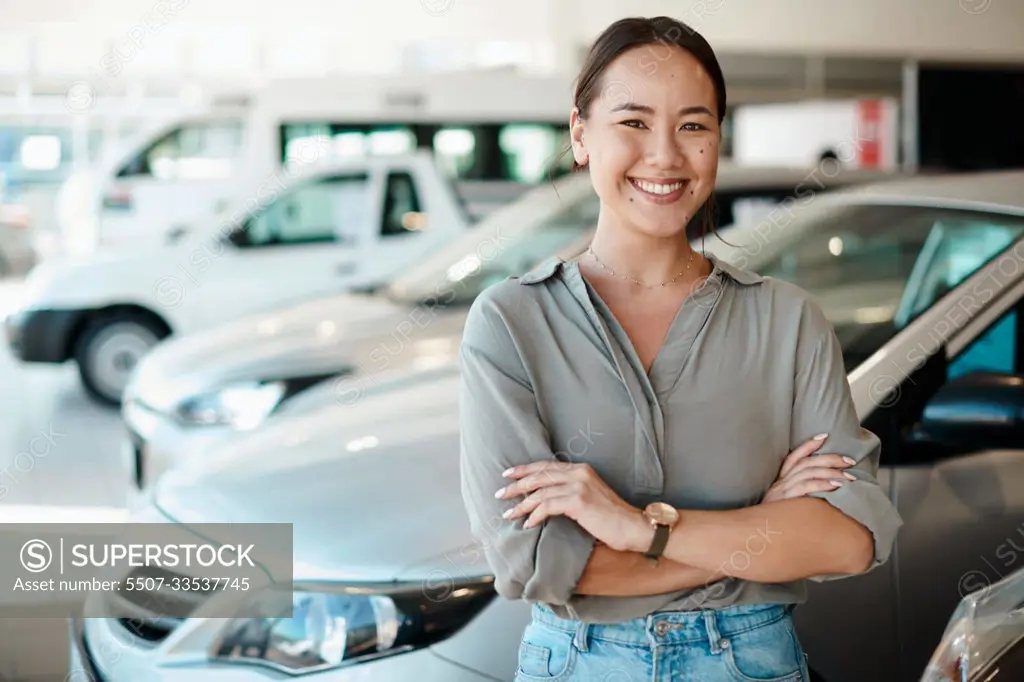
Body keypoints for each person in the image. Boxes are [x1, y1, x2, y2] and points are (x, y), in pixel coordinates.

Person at [458, 15, 903, 681]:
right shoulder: (511, 323)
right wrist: (767, 528)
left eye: (693, 125)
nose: (665, 155)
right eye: (633, 122)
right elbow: (532, 564)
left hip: (750, 662)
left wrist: (640, 529)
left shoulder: (786, 320)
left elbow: (848, 540)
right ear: (580, 135)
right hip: (579, 664)